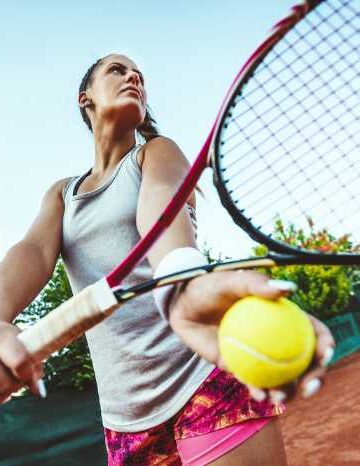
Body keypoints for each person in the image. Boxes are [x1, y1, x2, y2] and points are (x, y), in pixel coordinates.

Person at [0, 53, 334, 466]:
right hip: (125, 417)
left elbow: (160, 218)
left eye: (138, 74)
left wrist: (181, 283)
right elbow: (31, 251)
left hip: (202, 375)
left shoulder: (156, 153)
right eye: (117, 71)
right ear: (84, 98)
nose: (133, 77)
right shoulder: (61, 194)